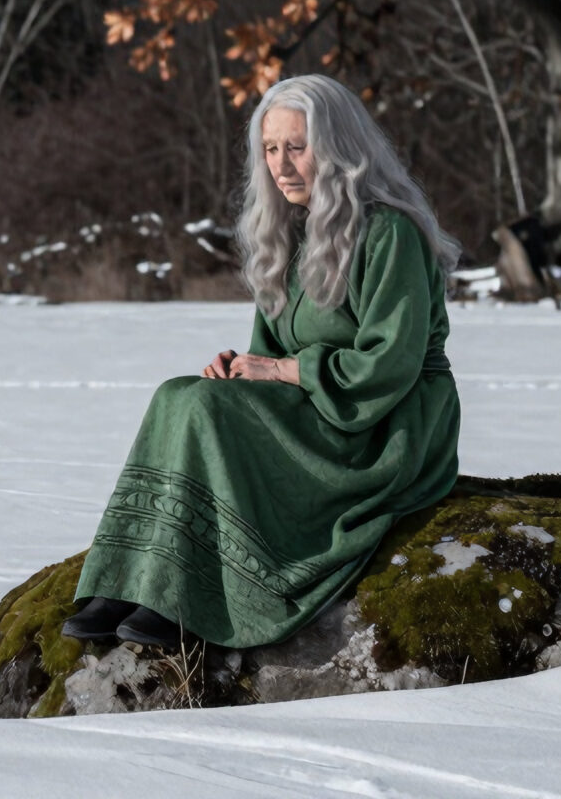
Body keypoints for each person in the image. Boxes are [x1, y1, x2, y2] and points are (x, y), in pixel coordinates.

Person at [62, 73, 463, 651]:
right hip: (321, 409)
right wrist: (241, 369)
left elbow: (387, 365)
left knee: (205, 410)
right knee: (180, 394)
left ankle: (189, 599)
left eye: (296, 146)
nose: (281, 164)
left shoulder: (389, 232)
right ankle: (127, 581)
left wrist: (279, 372)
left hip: (389, 425)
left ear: (340, 148)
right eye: (270, 149)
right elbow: (270, 355)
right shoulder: (295, 238)